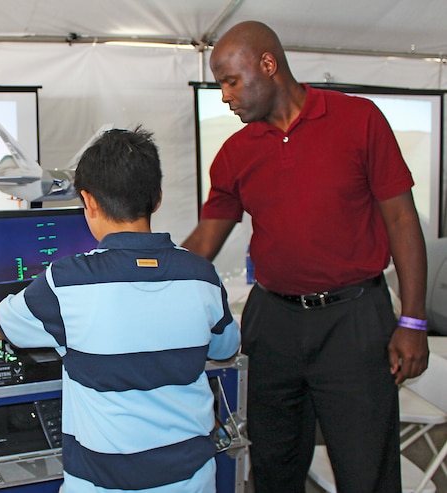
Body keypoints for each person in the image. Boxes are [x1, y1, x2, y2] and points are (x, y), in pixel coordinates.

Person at [182, 20, 430, 493]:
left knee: (366, 470)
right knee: (274, 466)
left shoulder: (359, 119)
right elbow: (205, 242)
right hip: (274, 323)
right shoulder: (235, 153)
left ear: (268, 65)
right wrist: (138, 266)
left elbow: (401, 221)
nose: (224, 96)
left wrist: (413, 322)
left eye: (230, 81)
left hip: (354, 321)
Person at [0, 127, 240, 492]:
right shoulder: (202, 276)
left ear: (88, 202)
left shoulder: (67, 282)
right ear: (158, 198)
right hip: (192, 481)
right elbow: (225, 348)